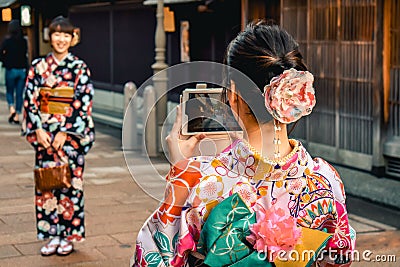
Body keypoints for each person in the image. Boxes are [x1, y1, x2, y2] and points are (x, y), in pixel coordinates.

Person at [132, 21, 356, 267]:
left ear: (233, 92)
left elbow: (155, 258)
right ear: (294, 99)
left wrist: (182, 172)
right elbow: (338, 258)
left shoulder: (200, 179)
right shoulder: (325, 180)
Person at [23, 16, 95, 256]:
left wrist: (65, 131)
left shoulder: (79, 68)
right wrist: (39, 130)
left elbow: (83, 102)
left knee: (71, 186)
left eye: (66, 35)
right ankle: (51, 235)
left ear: (72, 38)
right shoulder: (38, 66)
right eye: (57, 34)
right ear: (49, 36)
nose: (61, 39)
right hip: (45, 138)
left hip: (70, 139)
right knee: (46, 185)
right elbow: (30, 100)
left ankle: (68, 236)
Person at [0, 19, 28, 124]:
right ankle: (16, 115)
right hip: (21, 69)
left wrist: (5, 61)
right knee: (20, 93)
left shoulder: (7, 41)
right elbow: (25, 55)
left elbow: (0, 53)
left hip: (10, 69)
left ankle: (11, 108)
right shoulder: (23, 41)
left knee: (10, 91)